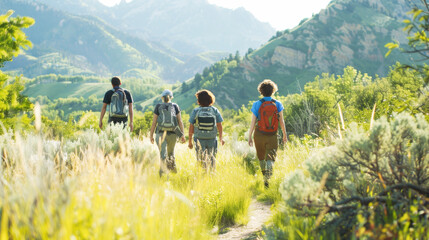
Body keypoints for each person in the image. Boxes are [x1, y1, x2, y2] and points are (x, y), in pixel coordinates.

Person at [248, 79, 287, 188]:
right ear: (273, 91)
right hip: (273, 134)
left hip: (259, 134)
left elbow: (253, 122)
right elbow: (281, 121)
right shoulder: (278, 103)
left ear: (261, 91)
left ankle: (264, 175)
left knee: (261, 157)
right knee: (271, 156)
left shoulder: (257, 104)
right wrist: (284, 134)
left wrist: (250, 136)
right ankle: (268, 178)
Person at [150, 89, 186, 175]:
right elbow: (180, 121)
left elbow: (154, 122)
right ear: (171, 97)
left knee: (162, 155)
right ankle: (173, 173)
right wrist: (182, 135)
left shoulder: (158, 106)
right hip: (173, 134)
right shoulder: (175, 106)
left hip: (161, 133)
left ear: (162, 97)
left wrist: (151, 135)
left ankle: (162, 174)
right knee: (171, 154)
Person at [188, 90, 224, 171]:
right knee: (212, 160)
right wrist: (221, 138)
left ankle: (202, 176)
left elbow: (191, 126)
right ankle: (211, 176)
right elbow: (219, 125)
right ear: (210, 99)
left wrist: (190, 141)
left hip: (199, 138)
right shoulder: (214, 110)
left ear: (199, 101)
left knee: (200, 161)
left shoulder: (196, 111)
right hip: (212, 138)